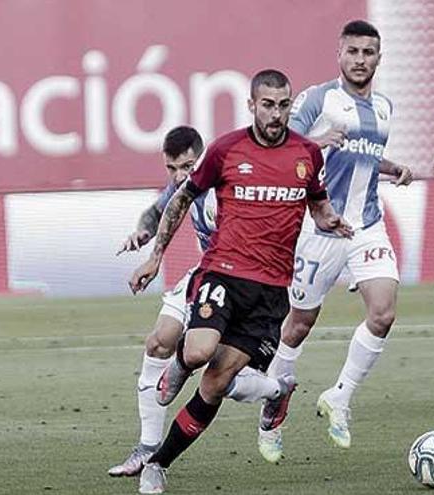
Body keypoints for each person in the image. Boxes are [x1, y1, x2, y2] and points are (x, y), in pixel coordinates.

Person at [129, 69, 352, 494]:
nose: (276, 113)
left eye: (284, 105)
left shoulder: (307, 154)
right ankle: (178, 366)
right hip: (224, 274)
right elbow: (180, 200)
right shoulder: (226, 150)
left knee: (215, 384)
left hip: (271, 291)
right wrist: (154, 256)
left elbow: (318, 205)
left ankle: (158, 464)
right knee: (197, 353)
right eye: (267, 104)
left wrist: (330, 220)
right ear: (251, 105)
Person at [256, 20, 414, 462]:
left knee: (383, 313)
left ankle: (339, 398)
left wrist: (393, 167)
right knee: (298, 325)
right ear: (339, 55)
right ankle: (273, 412)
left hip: (367, 225)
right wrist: (315, 141)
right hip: (320, 228)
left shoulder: (383, 106)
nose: (360, 60)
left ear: (379, 58)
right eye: (353, 52)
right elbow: (279, 144)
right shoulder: (317, 98)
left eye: (368, 52)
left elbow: (360, 155)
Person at [109, 127, 291, 477]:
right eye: (171, 168)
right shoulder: (184, 187)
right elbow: (157, 211)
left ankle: (275, 390)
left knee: (219, 376)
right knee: (159, 341)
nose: (180, 175)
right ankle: (147, 449)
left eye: (186, 166)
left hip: (244, 286)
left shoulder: (230, 184)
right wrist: (143, 235)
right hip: (205, 276)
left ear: (202, 156)